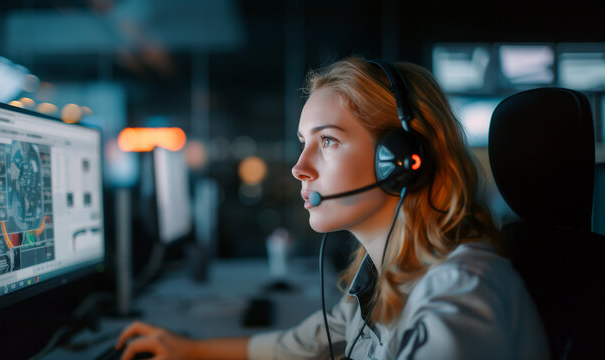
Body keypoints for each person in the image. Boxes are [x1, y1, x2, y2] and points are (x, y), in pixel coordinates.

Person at [115, 56, 549, 360]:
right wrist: (189, 350)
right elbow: (303, 345)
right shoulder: (389, 271)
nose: (299, 169)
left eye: (327, 141)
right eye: (305, 143)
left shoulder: (458, 299)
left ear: (400, 158)